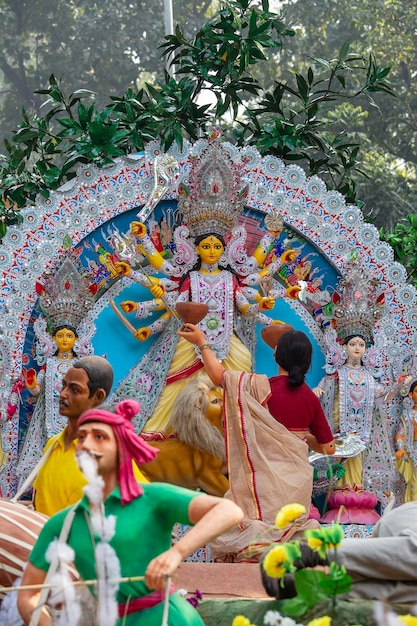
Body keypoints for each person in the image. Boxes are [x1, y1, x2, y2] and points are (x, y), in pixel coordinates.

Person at [110, 137, 297, 438]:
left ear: (224, 249)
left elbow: (244, 306)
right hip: (191, 342)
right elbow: (175, 302)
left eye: (215, 245)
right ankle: (162, 434)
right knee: (173, 380)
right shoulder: (189, 278)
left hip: (227, 342)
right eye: (205, 245)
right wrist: (145, 249)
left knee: (242, 371)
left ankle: (237, 438)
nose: (210, 250)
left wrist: (264, 311)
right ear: (196, 248)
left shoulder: (231, 278)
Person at [17, 400, 244, 626]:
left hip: (167, 619)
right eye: (82, 437)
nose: (86, 444)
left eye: (99, 437)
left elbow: (229, 510)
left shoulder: (152, 498)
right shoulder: (63, 524)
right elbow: (28, 594)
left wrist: (177, 553)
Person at [177, 322, 334, 562]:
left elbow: (220, 377)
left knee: (256, 532)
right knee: (290, 534)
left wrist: (202, 343)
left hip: (260, 481)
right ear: (307, 362)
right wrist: (299, 437)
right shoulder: (310, 399)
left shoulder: (260, 388)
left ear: (276, 355)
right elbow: (327, 447)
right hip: (296, 483)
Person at [16, 257, 96, 487]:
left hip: (76, 422)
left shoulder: (82, 365)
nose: (64, 340)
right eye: (60, 336)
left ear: (76, 340)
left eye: (69, 336)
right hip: (47, 424)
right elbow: (36, 394)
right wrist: (32, 385)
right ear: (52, 339)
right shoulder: (49, 365)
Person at [31, 355, 115, 516]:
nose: (63, 394)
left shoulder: (107, 454)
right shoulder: (53, 444)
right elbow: (40, 504)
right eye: (64, 386)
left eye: (75, 390)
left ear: (98, 397)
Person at [394, 380, 417, 502]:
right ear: (410, 394)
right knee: (414, 483)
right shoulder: (407, 415)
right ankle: (412, 511)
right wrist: (400, 448)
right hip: (412, 451)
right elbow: (400, 434)